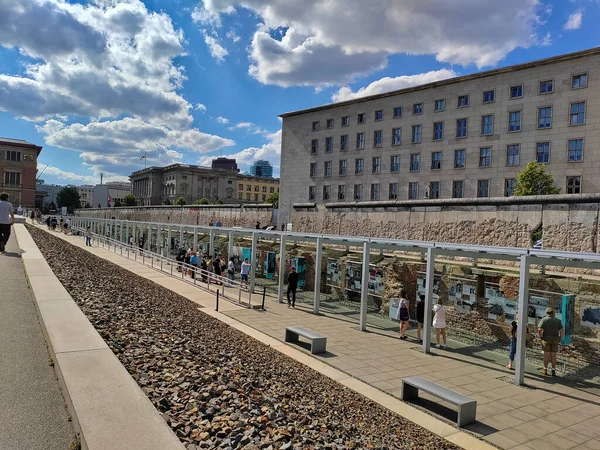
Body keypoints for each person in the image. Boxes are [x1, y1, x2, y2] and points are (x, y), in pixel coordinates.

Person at [538, 308, 564, 376]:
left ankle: (545, 369)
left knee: (546, 354)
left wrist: (541, 336)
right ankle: (553, 370)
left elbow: (539, 329)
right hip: (555, 339)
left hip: (546, 338)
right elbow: (561, 330)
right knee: (553, 355)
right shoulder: (558, 321)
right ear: (553, 313)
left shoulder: (544, 319)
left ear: (547, 313)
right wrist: (560, 337)